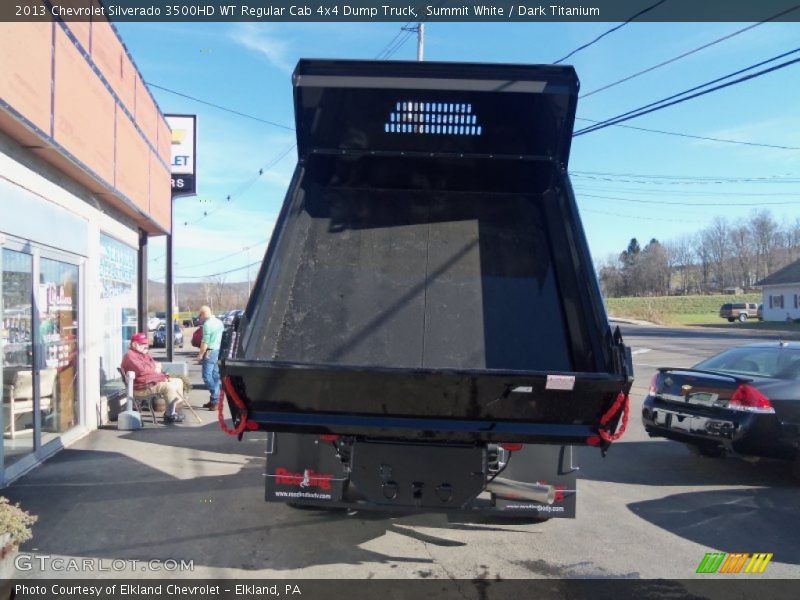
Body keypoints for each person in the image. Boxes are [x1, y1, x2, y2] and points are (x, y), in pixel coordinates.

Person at [121, 332, 185, 424]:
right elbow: (143, 371)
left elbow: (155, 366)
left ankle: (172, 411)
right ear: (134, 344)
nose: (146, 346)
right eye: (143, 344)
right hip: (142, 387)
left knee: (178, 381)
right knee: (168, 387)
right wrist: (156, 369)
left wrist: (161, 374)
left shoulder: (143, 354)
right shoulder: (130, 356)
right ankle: (170, 415)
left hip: (149, 382)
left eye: (146, 343)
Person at [196, 306, 224, 410]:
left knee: (206, 376)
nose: (200, 317)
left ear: (203, 314)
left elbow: (205, 342)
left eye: (200, 315)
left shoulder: (207, 324)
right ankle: (214, 400)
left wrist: (200, 354)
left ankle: (216, 398)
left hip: (210, 352)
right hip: (218, 351)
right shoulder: (219, 322)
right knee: (215, 376)